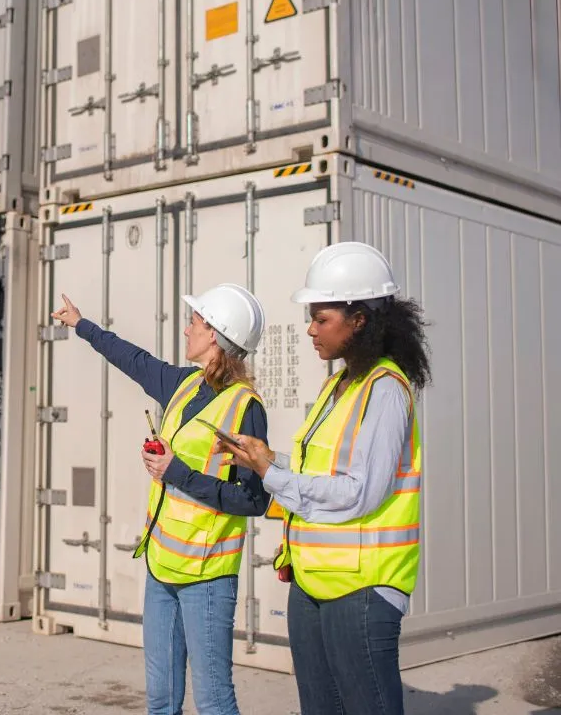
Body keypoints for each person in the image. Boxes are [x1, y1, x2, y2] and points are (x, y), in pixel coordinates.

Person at [216, 242, 431, 715]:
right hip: (313, 580)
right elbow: (323, 467)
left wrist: (270, 474)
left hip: (361, 589)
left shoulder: (386, 391)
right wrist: (264, 456)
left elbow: (358, 493)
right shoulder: (339, 383)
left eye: (321, 317)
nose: (310, 329)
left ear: (360, 320)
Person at [51, 284, 272, 715]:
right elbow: (134, 360)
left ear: (215, 336)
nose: (187, 327)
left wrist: (178, 473)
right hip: (162, 563)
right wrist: (81, 325)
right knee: (161, 698)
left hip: (206, 575)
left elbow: (252, 499)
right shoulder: (184, 384)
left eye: (195, 321)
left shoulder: (246, 408)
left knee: (213, 700)